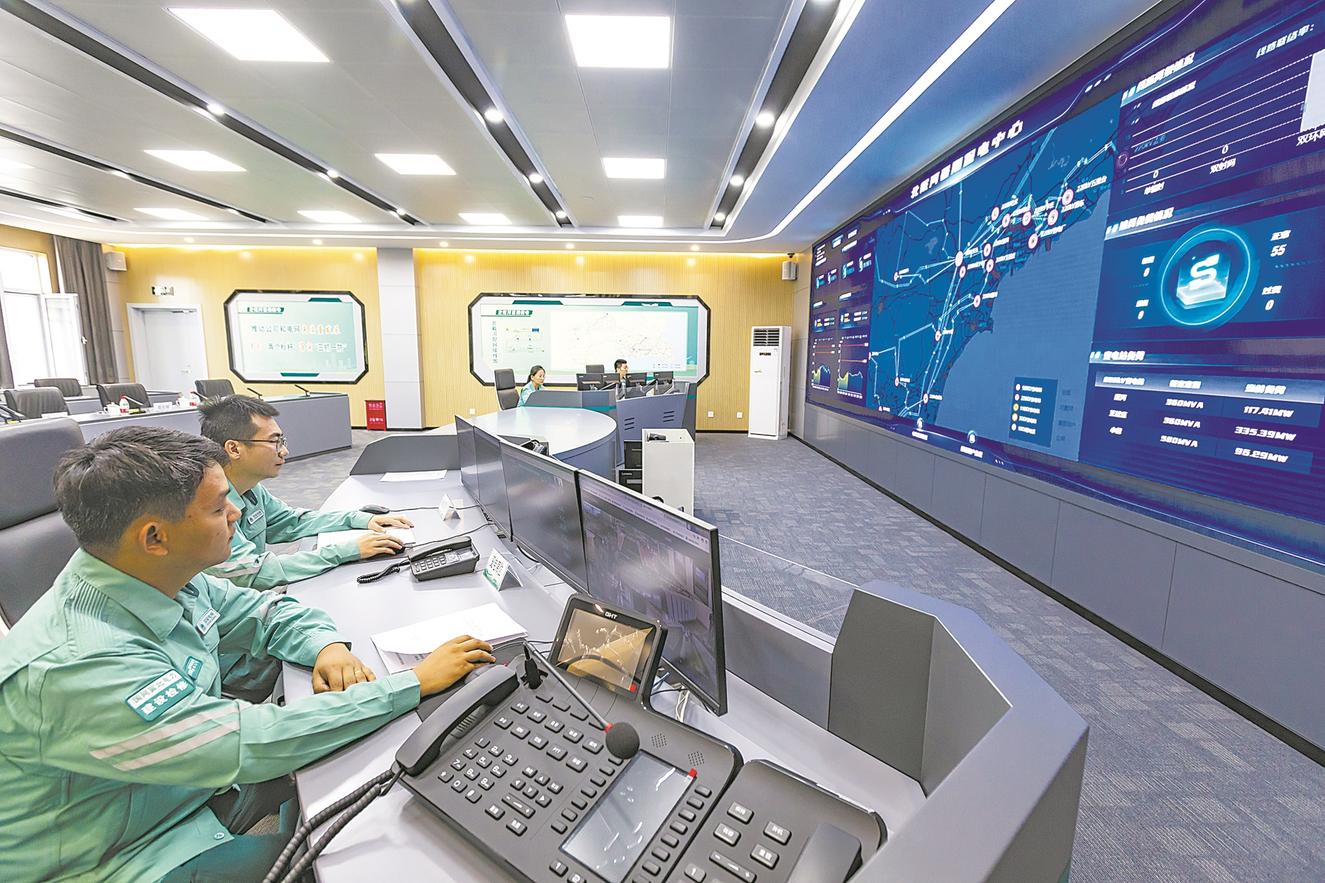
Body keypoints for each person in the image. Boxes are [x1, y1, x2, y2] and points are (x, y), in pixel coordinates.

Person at [0, 427, 495, 883]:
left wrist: (327, 646)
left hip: (180, 794)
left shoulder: (159, 576)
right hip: (120, 855)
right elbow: (246, 742)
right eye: (218, 508)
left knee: (354, 772)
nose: (236, 513)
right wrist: (412, 683)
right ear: (154, 537)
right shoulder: (77, 664)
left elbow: (267, 612)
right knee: (350, 854)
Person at [198, 395, 412, 590]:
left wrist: (359, 519)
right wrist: (346, 551)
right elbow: (252, 572)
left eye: (282, 442)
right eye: (274, 442)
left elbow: (292, 521)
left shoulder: (251, 489)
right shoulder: (205, 506)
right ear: (234, 449)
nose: (284, 451)